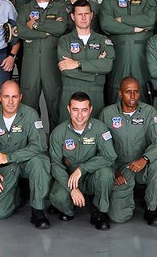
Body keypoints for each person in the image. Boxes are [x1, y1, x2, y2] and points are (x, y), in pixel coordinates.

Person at [100, 77, 157, 226]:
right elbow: (101, 147)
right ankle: (127, 196)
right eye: (128, 92)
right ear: (120, 93)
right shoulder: (107, 113)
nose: (132, 96)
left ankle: (152, 209)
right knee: (118, 217)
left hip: (142, 166)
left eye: (136, 92)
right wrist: (113, 171)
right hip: (121, 169)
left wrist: (145, 159)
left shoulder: (150, 112)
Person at [0, 80, 51, 228]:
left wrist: (10, 157)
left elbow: (40, 145)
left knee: (40, 161)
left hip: (26, 162)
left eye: (14, 97)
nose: (10, 101)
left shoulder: (30, 114)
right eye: (6, 96)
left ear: (20, 97)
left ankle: (38, 210)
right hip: (5, 168)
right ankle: (16, 195)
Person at [48, 91, 116, 230]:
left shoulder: (100, 128)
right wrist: (72, 189)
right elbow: (55, 164)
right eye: (75, 110)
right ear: (69, 109)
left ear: (90, 110)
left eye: (84, 110)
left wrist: (82, 169)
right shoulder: (59, 132)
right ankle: (68, 208)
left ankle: (100, 211)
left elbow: (109, 156)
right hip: (69, 178)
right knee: (58, 197)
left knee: (106, 174)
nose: (79, 115)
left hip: (91, 176)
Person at [100, 0, 157, 102]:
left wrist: (121, 19)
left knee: (143, 91)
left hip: (142, 54)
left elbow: (149, 21)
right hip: (118, 54)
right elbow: (106, 24)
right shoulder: (109, 1)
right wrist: (134, 29)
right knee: (116, 91)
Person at [17, 0, 69, 123]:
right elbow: (21, 31)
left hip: (52, 63)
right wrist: (46, 32)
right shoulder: (25, 9)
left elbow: (60, 28)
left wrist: (35, 25)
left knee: (55, 105)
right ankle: (33, 138)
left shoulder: (59, 8)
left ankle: (56, 138)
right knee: (29, 106)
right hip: (30, 64)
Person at [56, 0, 114, 123]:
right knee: (68, 131)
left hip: (96, 93)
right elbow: (66, 70)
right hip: (70, 92)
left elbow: (107, 66)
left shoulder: (103, 40)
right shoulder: (64, 40)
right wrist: (96, 71)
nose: (83, 18)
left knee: (96, 130)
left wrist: (77, 64)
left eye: (86, 14)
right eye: (79, 14)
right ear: (73, 16)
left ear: (91, 15)